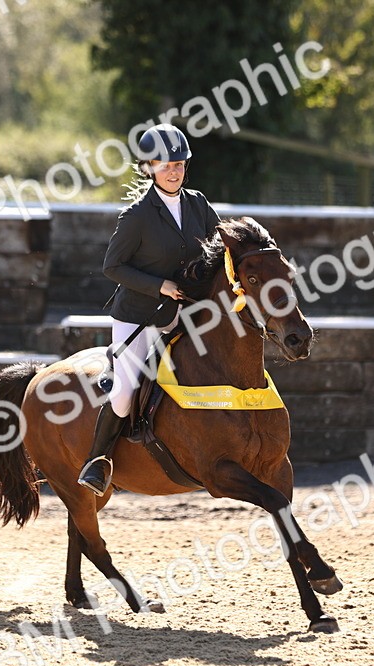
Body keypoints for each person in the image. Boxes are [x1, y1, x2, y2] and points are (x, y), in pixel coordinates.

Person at [77, 124, 221, 496]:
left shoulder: (198, 204)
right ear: (148, 168)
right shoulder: (137, 215)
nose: (173, 171)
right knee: (126, 390)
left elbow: (220, 249)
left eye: (179, 164)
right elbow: (113, 266)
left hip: (187, 312)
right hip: (140, 316)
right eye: (165, 165)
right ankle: (97, 461)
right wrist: (160, 285)